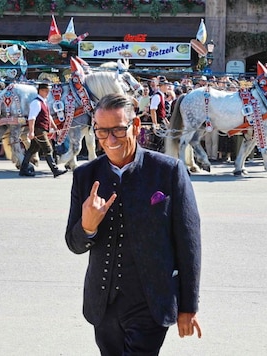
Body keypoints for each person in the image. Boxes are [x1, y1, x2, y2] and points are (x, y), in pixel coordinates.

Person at [64, 93, 202, 355]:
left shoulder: (168, 171)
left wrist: (189, 306)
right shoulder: (86, 175)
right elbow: (74, 244)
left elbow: (189, 244)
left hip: (150, 301)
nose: (110, 140)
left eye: (118, 129)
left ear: (136, 126)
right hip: (103, 304)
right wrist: (87, 226)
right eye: (102, 132)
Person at [18, 82, 67, 178]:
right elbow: (32, 118)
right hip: (39, 129)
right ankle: (55, 170)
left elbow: (48, 116)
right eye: (46, 91)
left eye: (48, 91)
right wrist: (31, 131)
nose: (48, 93)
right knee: (48, 149)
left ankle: (23, 169)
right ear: (41, 91)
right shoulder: (36, 103)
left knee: (32, 150)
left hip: (42, 129)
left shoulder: (43, 102)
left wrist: (54, 126)